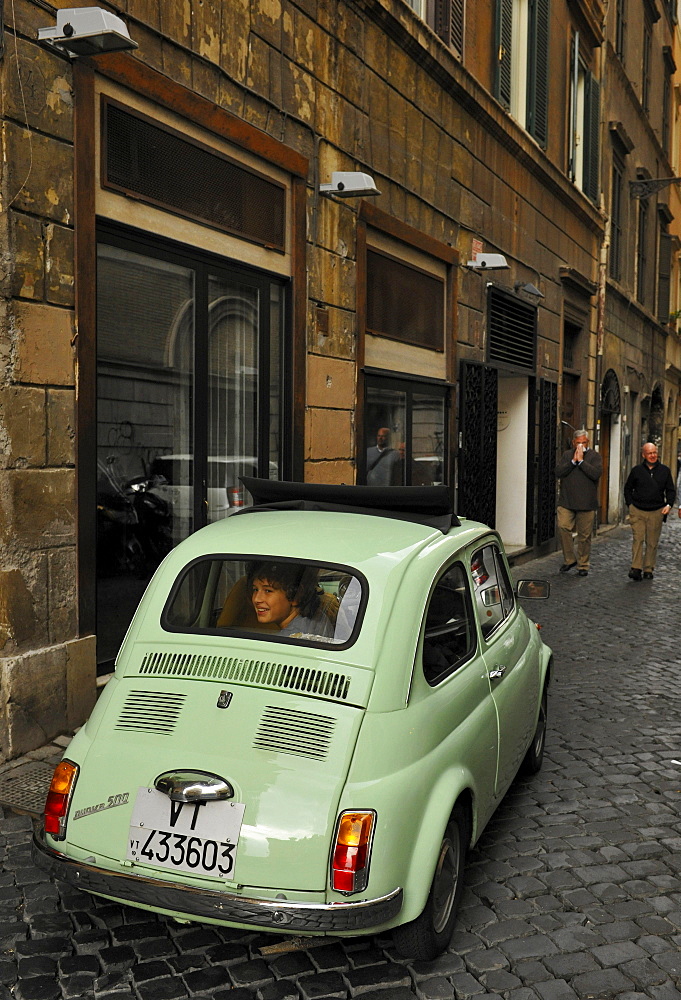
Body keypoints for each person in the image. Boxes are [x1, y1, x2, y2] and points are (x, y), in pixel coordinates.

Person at [554, 429, 603, 577]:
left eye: (583, 442)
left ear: (587, 442)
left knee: (584, 536)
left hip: (586, 503)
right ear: (574, 442)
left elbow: (596, 474)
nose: (581, 445)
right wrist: (572, 462)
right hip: (567, 501)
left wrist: (581, 462)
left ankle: (583, 564)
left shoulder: (595, 457)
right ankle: (569, 559)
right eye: (578, 442)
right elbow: (558, 472)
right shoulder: (567, 455)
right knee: (563, 527)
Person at [623, 442, 675, 581]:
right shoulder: (636, 471)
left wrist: (669, 504)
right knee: (638, 539)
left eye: (654, 453)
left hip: (656, 511)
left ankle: (648, 568)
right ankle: (636, 568)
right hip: (638, 510)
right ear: (643, 455)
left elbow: (670, 490)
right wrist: (630, 505)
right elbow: (628, 488)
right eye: (649, 453)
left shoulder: (665, 470)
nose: (652, 456)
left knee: (652, 542)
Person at [246, 561, 335, 637]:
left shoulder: (288, 640)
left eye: (268, 591)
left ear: (296, 595)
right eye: (255, 589)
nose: (257, 599)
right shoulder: (316, 619)